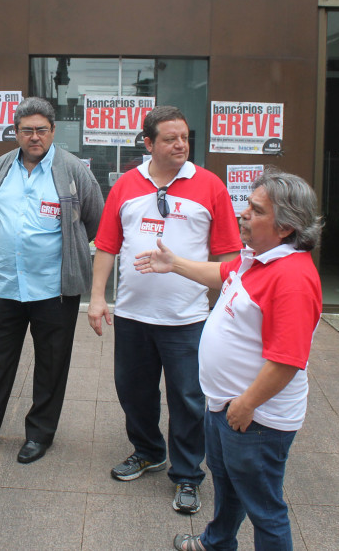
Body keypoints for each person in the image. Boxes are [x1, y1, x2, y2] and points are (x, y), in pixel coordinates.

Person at [134, 169, 323, 551]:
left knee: (265, 509)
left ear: (285, 226)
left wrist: (246, 405)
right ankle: (217, 542)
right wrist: (175, 264)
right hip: (226, 406)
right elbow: (223, 273)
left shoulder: (292, 278)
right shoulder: (257, 259)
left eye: (255, 210)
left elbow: (287, 360)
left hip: (255, 418)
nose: (243, 213)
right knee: (228, 485)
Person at [87, 105, 241, 515]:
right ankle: (148, 451)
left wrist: (225, 309)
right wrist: (98, 298)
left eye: (185, 137)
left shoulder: (210, 186)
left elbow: (228, 257)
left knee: (189, 399)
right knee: (133, 392)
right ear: (148, 143)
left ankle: (188, 474)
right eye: (171, 138)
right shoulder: (125, 186)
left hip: (186, 319)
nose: (181, 145)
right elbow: (106, 245)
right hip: (134, 315)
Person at [0, 97, 104, 464]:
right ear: (16, 132)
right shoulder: (1, 167)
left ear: (53, 131)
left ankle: (39, 434)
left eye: (41, 130)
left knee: (51, 365)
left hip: (54, 289)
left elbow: (96, 219)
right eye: (26, 130)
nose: (34, 137)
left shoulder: (73, 170)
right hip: (5, 284)